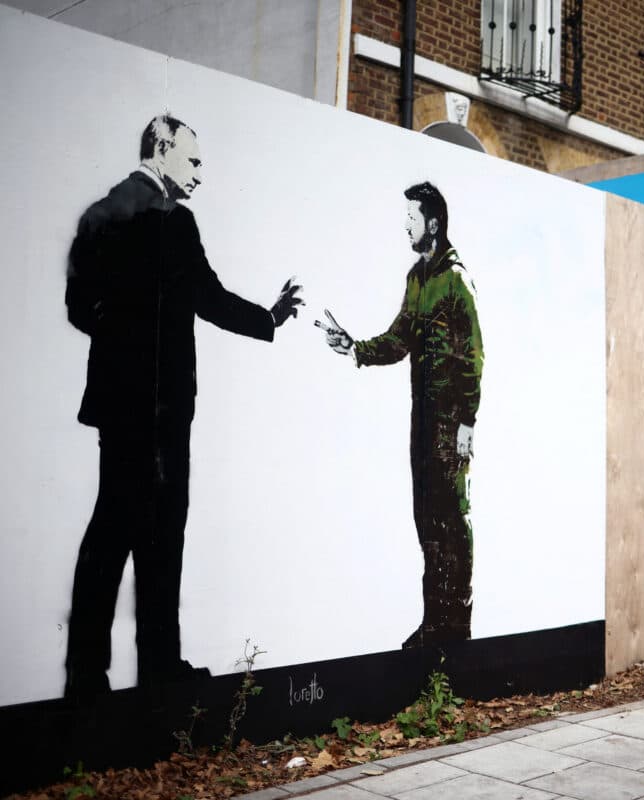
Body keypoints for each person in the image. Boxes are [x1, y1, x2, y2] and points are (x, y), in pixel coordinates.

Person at [64, 115, 304, 699]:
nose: (200, 173)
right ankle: (160, 666)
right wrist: (269, 318)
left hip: (117, 409)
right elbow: (210, 299)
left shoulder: (98, 214)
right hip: (165, 410)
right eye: (192, 161)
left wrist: (120, 337)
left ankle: (86, 675)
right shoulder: (173, 222)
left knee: (110, 529)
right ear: (162, 149)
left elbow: (78, 307)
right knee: (161, 534)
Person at [317, 181, 483, 650]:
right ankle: (435, 624)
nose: (405, 225)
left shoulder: (456, 278)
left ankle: (458, 627)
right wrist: (355, 347)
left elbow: (473, 356)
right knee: (427, 522)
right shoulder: (417, 277)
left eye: (411, 217)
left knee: (454, 518)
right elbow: (400, 338)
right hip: (423, 420)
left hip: (451, 424)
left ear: (432, 223)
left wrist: (467, 422)